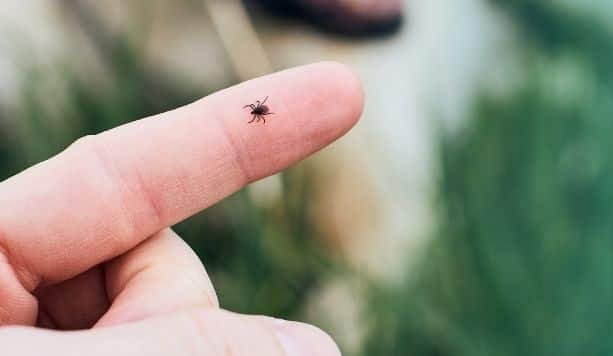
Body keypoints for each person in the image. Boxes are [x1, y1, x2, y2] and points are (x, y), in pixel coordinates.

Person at [0, 62, 363, 355]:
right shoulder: (258, 111)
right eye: (257, 110)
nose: (257, 111)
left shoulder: (255, 111)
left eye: (258, 110)